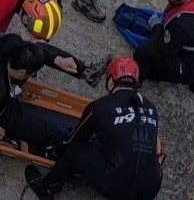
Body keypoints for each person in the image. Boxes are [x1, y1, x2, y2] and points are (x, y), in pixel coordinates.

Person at [0, 33, 109, 157]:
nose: (31, 77)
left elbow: (37, 50)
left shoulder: (10, 43)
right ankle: (73, 141)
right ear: (22, 72)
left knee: (40, 50)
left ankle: (83, 71)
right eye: (31, 74)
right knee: (45, 128)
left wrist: (57, 59)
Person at [24, 57, 163, 200]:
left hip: (116, 186)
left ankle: (47, 188)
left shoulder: (100, 107)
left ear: (110, 81)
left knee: (74, 151)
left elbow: (75, 138)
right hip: (150, 188)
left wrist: (55, 151)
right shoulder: (151, 108)